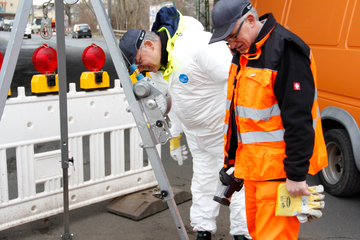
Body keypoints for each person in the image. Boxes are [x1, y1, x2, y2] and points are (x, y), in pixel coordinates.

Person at [119, 6, 251, 240]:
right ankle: (203, 230)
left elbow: (234, 81)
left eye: (139, 62)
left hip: (226, 134)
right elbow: (175, 101)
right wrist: (176, 137)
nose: (142, 70)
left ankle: (243, 233)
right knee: (202, 182)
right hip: (198, 137)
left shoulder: (198, 45)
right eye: (137, 68)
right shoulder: (160, 68)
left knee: (239, 182)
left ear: (149, 45)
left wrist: (238, 127)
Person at [209, 0, 328, 239]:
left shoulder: (286, 49)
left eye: (232, 37)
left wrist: (295, 174)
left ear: (251, 21)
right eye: (227, 41)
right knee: (257, 233)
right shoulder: (243, 53)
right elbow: (237, 116)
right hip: (253, 170)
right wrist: (231, 161)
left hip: (278, 175)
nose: (231, 45)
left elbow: (299, 119)